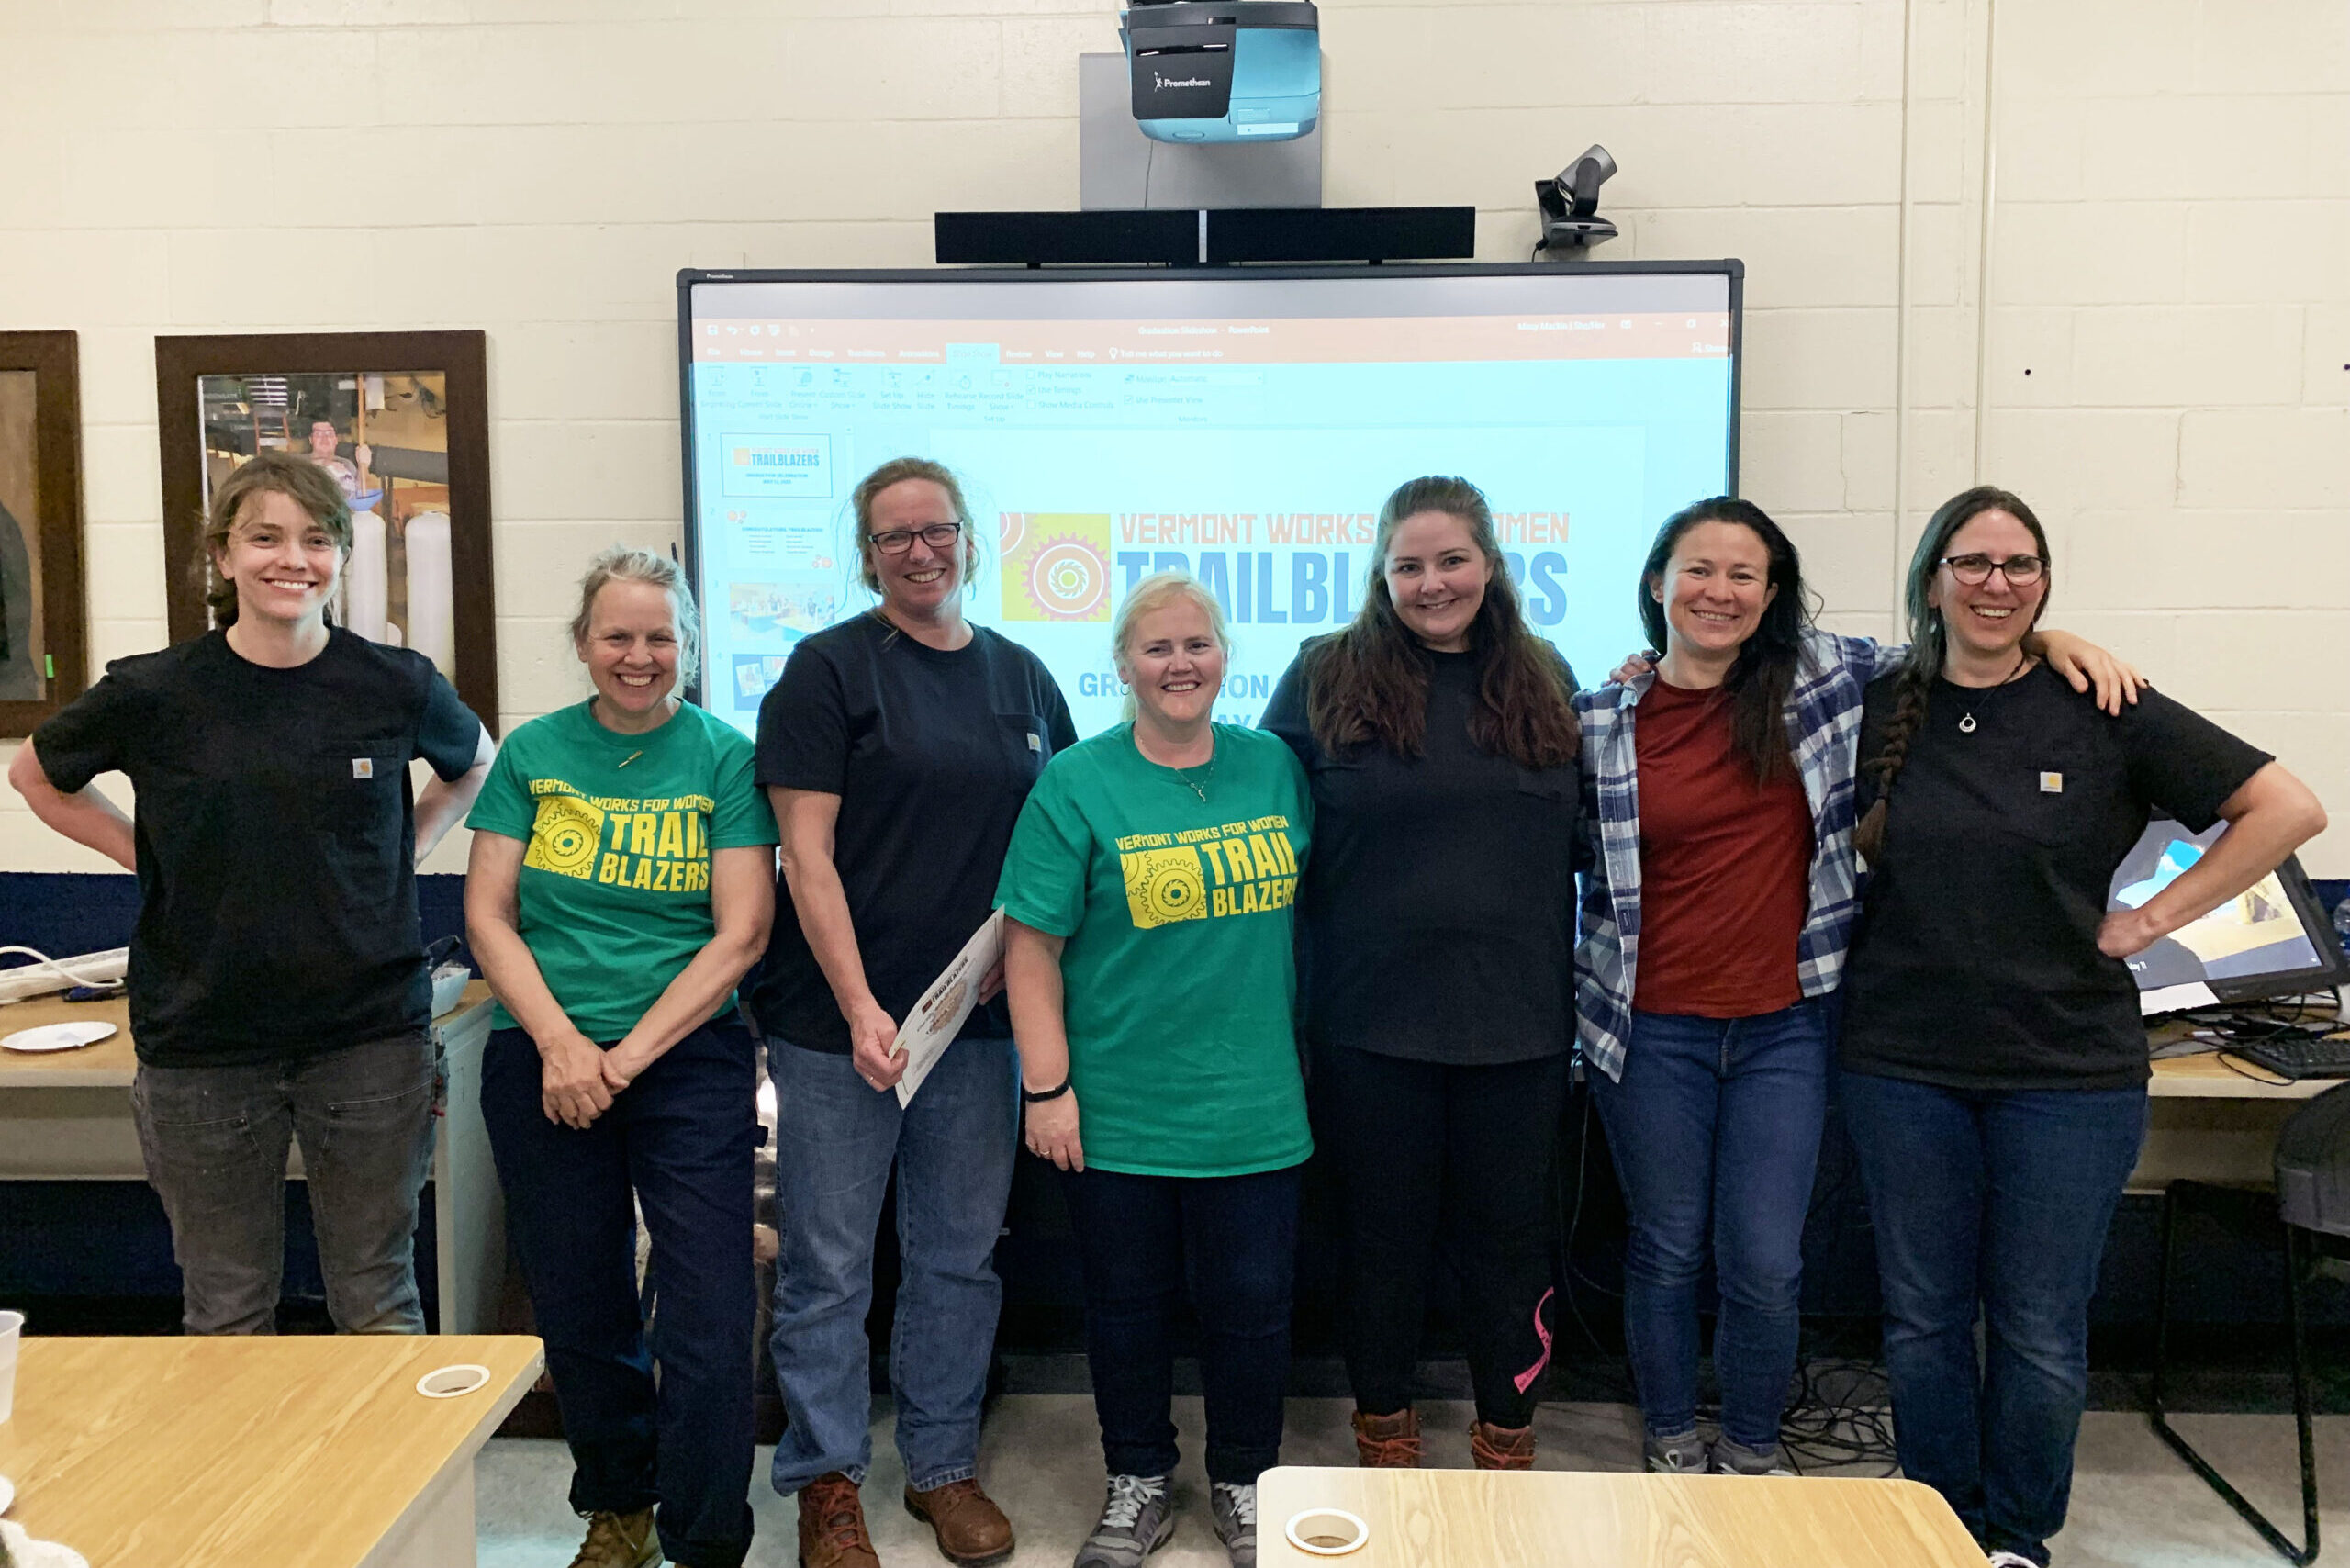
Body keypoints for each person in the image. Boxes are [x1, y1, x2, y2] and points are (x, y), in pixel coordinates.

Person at [1574, 496, 2139, 1476]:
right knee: (1666, 1248)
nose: (1718, 591)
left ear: (1773, 593)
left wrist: (2050, 636)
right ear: (1656, 584)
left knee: (1765, 1260)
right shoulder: (1598, 719)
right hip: (1647, 1028)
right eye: (1697, 570)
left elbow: (1964, 636)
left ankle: (1749, 1450)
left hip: (1786, 1027)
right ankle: (1670, 1437)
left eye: (1743, 574)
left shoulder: (1824, 683)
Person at [1839, 487, 2327, 1568]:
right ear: (1932, 580)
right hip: (1899, 1064)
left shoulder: (2105, 706)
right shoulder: (1878, 703)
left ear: (2045, 580)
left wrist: (2153, 919)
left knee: (2038, 1328)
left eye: (2019, 567)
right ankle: (1933, 1527)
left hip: (2067, 1075)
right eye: (1971, 563)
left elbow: (2288, 807)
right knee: (1920, 1322)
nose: (1995, 584)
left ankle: (2013, 1536)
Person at [6, 450, 491, 1335]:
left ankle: (383, 1481)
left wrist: (404, 848)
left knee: (377, 1293)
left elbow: (474, 765)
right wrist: (145, 856)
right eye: (264, 537)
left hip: (367, 1038)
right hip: (203, 1042)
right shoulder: (154, 691)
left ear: (342, 556)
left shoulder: (394, 683)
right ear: (223, 557)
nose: (290, 559)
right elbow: (36, 777)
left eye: (315, 539)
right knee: (228, 1305)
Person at [755, 457, 1074, 1568]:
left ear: (971, 538)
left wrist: (1017, 956)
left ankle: (941, 1467)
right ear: (867, 554)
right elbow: (807, 853)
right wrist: (857, 1005)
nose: (918, 550)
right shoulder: (826, 669)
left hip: (976, 1030)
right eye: (893, 536)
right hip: (837, 1027)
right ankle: (826, 1479)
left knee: (956, 1256)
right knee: (830, 1266)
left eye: (935, 529)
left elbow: (1058, 845)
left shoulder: (1025, 678)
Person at [464, 548, 777, 1568]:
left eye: (659, 637)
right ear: (583, 643)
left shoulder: (725, 758)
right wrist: (562, 1043)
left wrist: (624, 1058)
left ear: (686, 643)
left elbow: (739, 933)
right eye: (617, 636)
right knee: (580, 1298)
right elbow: (488, 912)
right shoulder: (533, 753)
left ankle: (707, 1533)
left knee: (710, 1306)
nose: (638, 656)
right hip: (542, 1056)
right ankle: (618, 1507)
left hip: (685, 1060)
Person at [1260, 476, 1580, 1471]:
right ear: (1380, 573)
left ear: (1489, 562)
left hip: (1520, 1026)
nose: (1432, 582)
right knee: (1379, 1243)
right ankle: (1384, 1434)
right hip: (1367, 1025)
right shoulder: (1323, 673)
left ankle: (1505, 1435)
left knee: (1510, 1247)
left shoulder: (1548, 674)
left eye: (1451, 560)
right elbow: (1259, 823)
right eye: (1409, 565)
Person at [999, 570, 1313, 1568]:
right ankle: (1137, 1477)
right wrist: (1047, 1089)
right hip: (1120, 1108)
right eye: (1156, 649)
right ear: (1124, 666)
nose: (1179, 664)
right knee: (1125, 1310)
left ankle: (1244, 1480)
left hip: (1256, 1106)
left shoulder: (1274, 768)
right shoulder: (1077, 782)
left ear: (1224, 656)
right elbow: (1030, 947)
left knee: (1253, 1311)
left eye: (1197, 645)